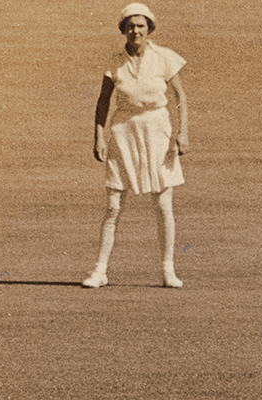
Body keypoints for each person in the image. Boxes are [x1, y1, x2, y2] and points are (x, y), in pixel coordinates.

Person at [83, 2, 189, 289]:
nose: (136, 31)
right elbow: (103, 101)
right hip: (123, 132)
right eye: (130, 26)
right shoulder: (114, 61)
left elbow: (180, 96)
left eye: (141, 25)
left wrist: (182, 132)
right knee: (114, 205)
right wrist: (98, 136)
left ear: (149, 29)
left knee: (163, 204)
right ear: (123, 30)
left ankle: (168, 270)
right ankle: (99, 270)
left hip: (158, 131)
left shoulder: (165, 58)